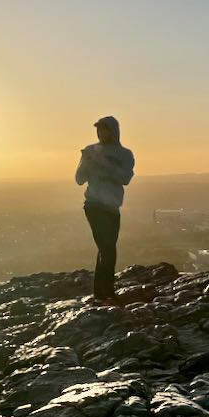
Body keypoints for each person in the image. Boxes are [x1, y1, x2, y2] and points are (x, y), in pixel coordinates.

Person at [75, 116, 134, 303]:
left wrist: (103, 163)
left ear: (114, 131)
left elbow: (125, 178)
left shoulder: (125, 154)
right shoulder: (91, 150)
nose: (101, 133)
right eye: (99, 130)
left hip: (112, 207)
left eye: (105, 130)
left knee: (108, 249)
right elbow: (79, 179)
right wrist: (86, 161)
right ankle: (105, 293)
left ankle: (102, 293)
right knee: (107, 248)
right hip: (93, 205)